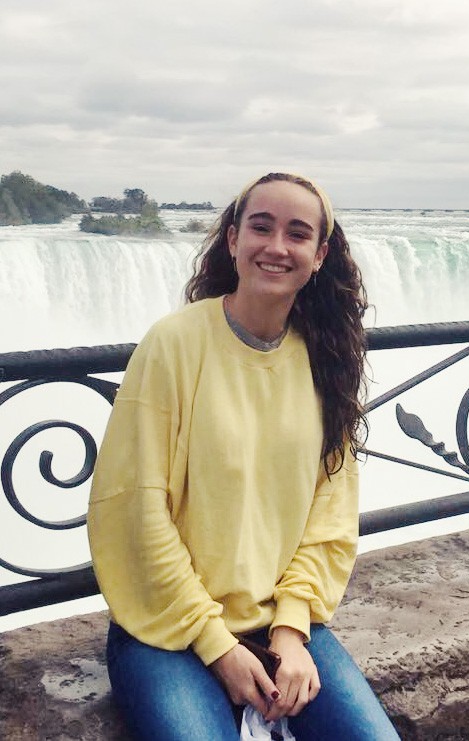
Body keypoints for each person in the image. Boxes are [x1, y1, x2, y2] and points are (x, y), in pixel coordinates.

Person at [87, 172, 401, 740]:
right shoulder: (174, 345)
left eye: (297, 233)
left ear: (319, 254)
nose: (276, 246)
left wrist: (292, 627)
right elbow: (135, 510)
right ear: (232, 239)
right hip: (168, 629)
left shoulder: (324, 361)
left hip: (277, 621)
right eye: (261, 226)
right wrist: (216, 644)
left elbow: (328, 519)